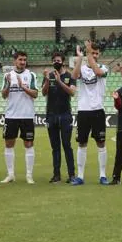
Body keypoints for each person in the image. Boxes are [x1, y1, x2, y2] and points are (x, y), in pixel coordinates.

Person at [70, 40, 110, 186]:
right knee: (82, 143)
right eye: (92, 52)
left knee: (101, 143)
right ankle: (80, 176)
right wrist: (80, 58)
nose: (93, 54)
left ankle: (103, 175)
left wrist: (88, 53)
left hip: (98, 110)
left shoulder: (104, 68)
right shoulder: (82, 68)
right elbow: (74, 76)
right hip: (83, 110)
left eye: (95, 53)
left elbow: (98, 72)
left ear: (99, 54)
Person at [0, 51, 38, 183]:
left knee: (28, 144)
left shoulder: (31, 75)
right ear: (14, 61)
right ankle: (10, 174)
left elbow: (35, 94)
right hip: (11, 116)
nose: (23, 62)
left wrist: (23, 87)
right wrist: (10, 84)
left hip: (27, 115)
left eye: (24, 60)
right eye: (20, 59)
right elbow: (4, 95)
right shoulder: (7, 76)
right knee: (9, 144)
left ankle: (29, 175)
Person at [42, 52, 77, 183]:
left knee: (67, 145)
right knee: (55, 146)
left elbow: (72, 92)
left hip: (65, 115)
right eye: (54, 60)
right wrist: (46, 80)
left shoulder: (70, 76)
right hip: (51, 115)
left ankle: (71, 174)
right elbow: (44, 92)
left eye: (58, 60)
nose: (56, 62)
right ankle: (56, 175)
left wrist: (59, 82)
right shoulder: (49, 75)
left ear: (63, 61)